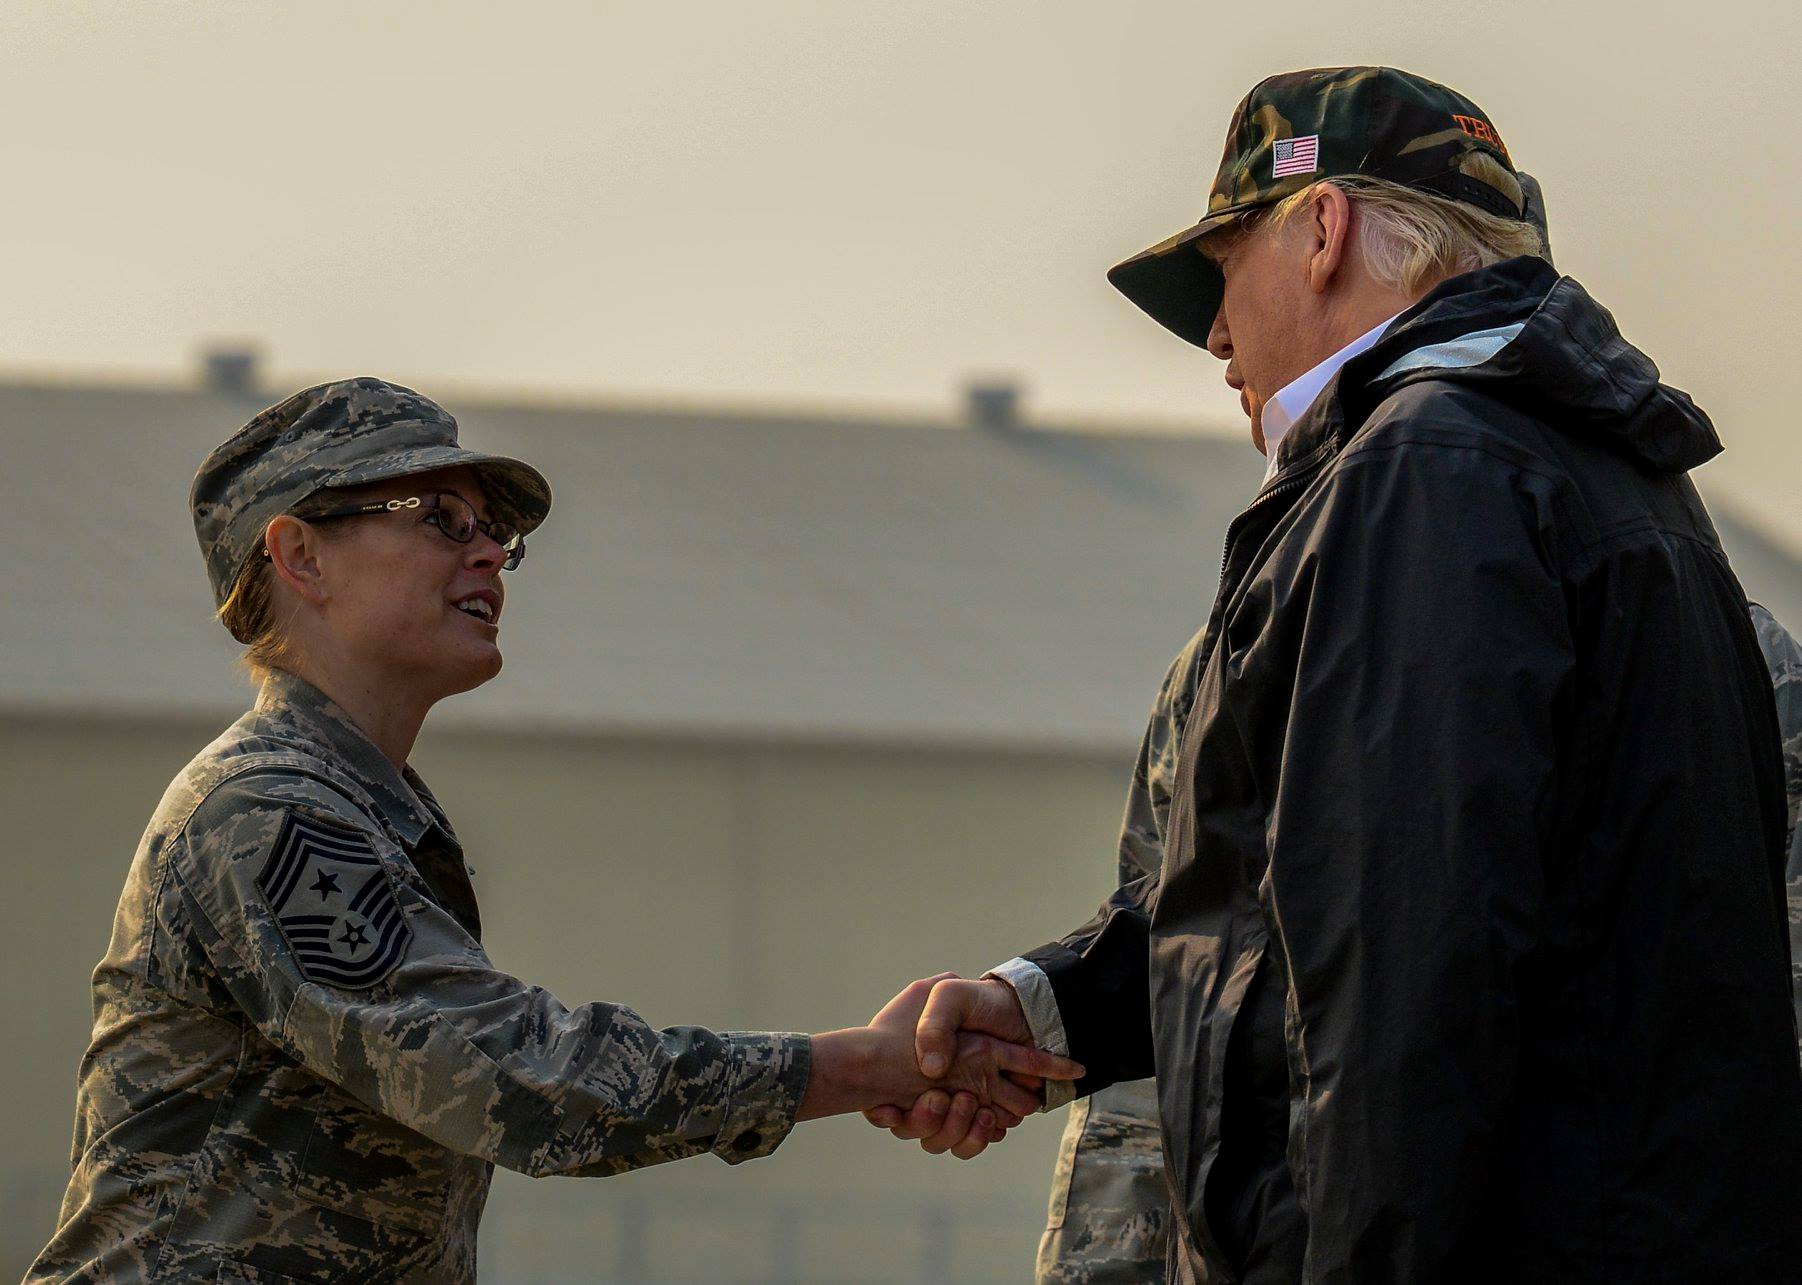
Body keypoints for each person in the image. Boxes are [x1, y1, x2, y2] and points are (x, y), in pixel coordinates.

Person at [885, 66, 1802, 1281]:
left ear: (1320, 231)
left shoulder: (1422, 474)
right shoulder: (1613, 484)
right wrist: (1043, 1006)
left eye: (1223, 273)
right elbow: (1315, 903)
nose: (1215, 337)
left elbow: (1400, 974)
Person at [27, 377, 1081, 1284]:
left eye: (497, 532)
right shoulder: (266, 811)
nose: (489, 553)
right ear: (299, 554)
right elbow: (515, 1077)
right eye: (440, 516)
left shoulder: (363, 809)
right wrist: (869, 1065)